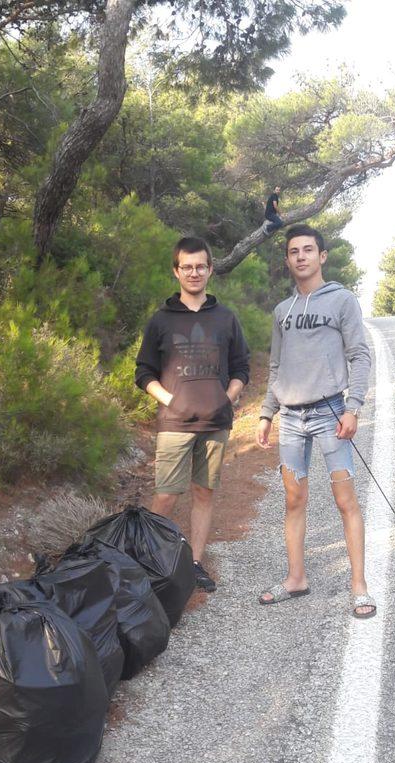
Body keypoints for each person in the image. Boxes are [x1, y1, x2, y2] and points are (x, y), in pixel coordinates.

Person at [256, 223, 376, 618]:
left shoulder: (341, 301)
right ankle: (296, 579)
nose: (301, 257)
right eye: (294, 251)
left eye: (308, 250)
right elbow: (276, 367)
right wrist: (266, 414)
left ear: (322, 256)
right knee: (294, 499)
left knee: (345, 500)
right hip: (290, 417)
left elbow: (360, 354)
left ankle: (359, 586)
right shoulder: (282, 311)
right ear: (288, 259)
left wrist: (353, 407)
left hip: (330, 414)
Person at [135, 236, 250, 593]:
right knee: (166, 494)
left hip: (215, 423)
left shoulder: (226, 318)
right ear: (176, 271)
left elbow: (241, 368)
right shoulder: (161, 320)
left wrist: (226, 399)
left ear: (210, 269)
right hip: (174, 424)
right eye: (187, 267)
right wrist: (171, 401)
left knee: (204, 492)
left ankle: (195, 563)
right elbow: (143, 373)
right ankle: (147, 565)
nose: (194, 272)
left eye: (201, 266)